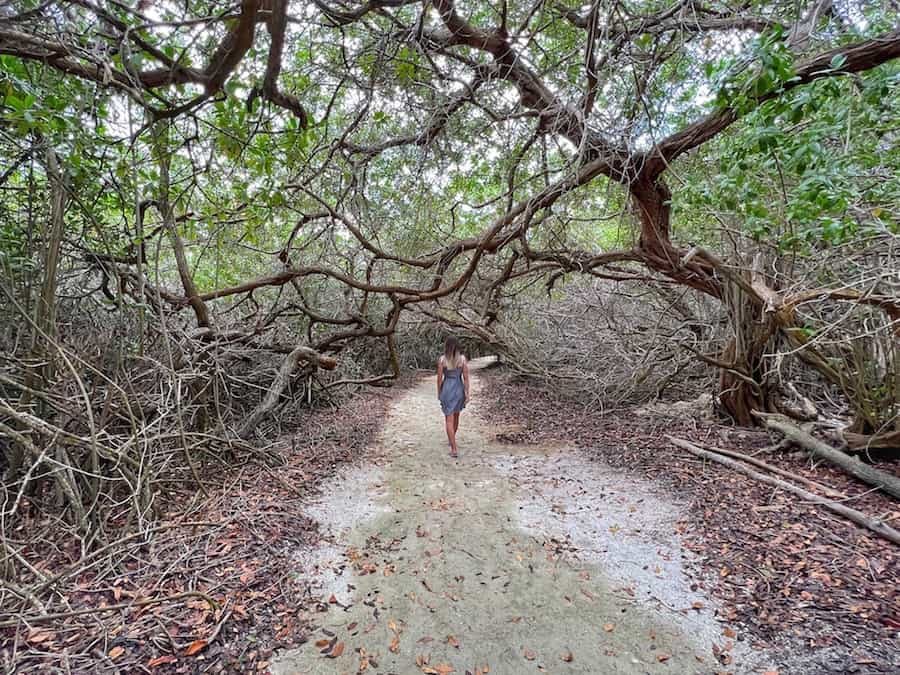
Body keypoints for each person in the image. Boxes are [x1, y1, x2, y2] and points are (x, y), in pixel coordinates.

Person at [437, 336, 470, 458]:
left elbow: (439, 379)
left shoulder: (442, 360)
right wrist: (467, 392)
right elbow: (466, 378)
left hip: (447, 389)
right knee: (456, 417)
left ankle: (454, 448)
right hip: (458, 389)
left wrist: (439, 392)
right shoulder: (462, 359)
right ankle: (452, 440)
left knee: (448, 420)